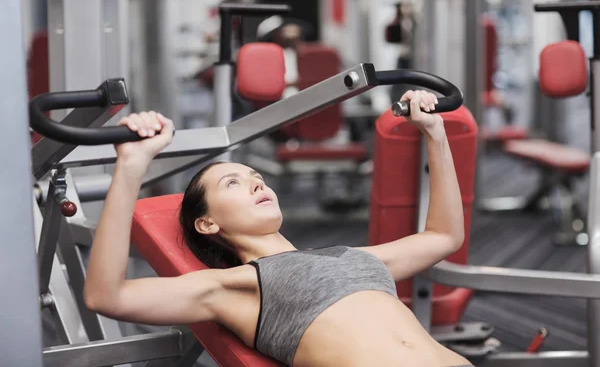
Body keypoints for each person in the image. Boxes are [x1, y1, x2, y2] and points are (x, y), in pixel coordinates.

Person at [84, 90, 473, 367]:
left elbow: (443, 236)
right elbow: (108, 296)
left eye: (254, 175)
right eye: (232, 183)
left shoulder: (353, 258)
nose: (256, 182)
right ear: (207, 223)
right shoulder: (237, 287)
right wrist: (132, 167)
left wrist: (435, 133)